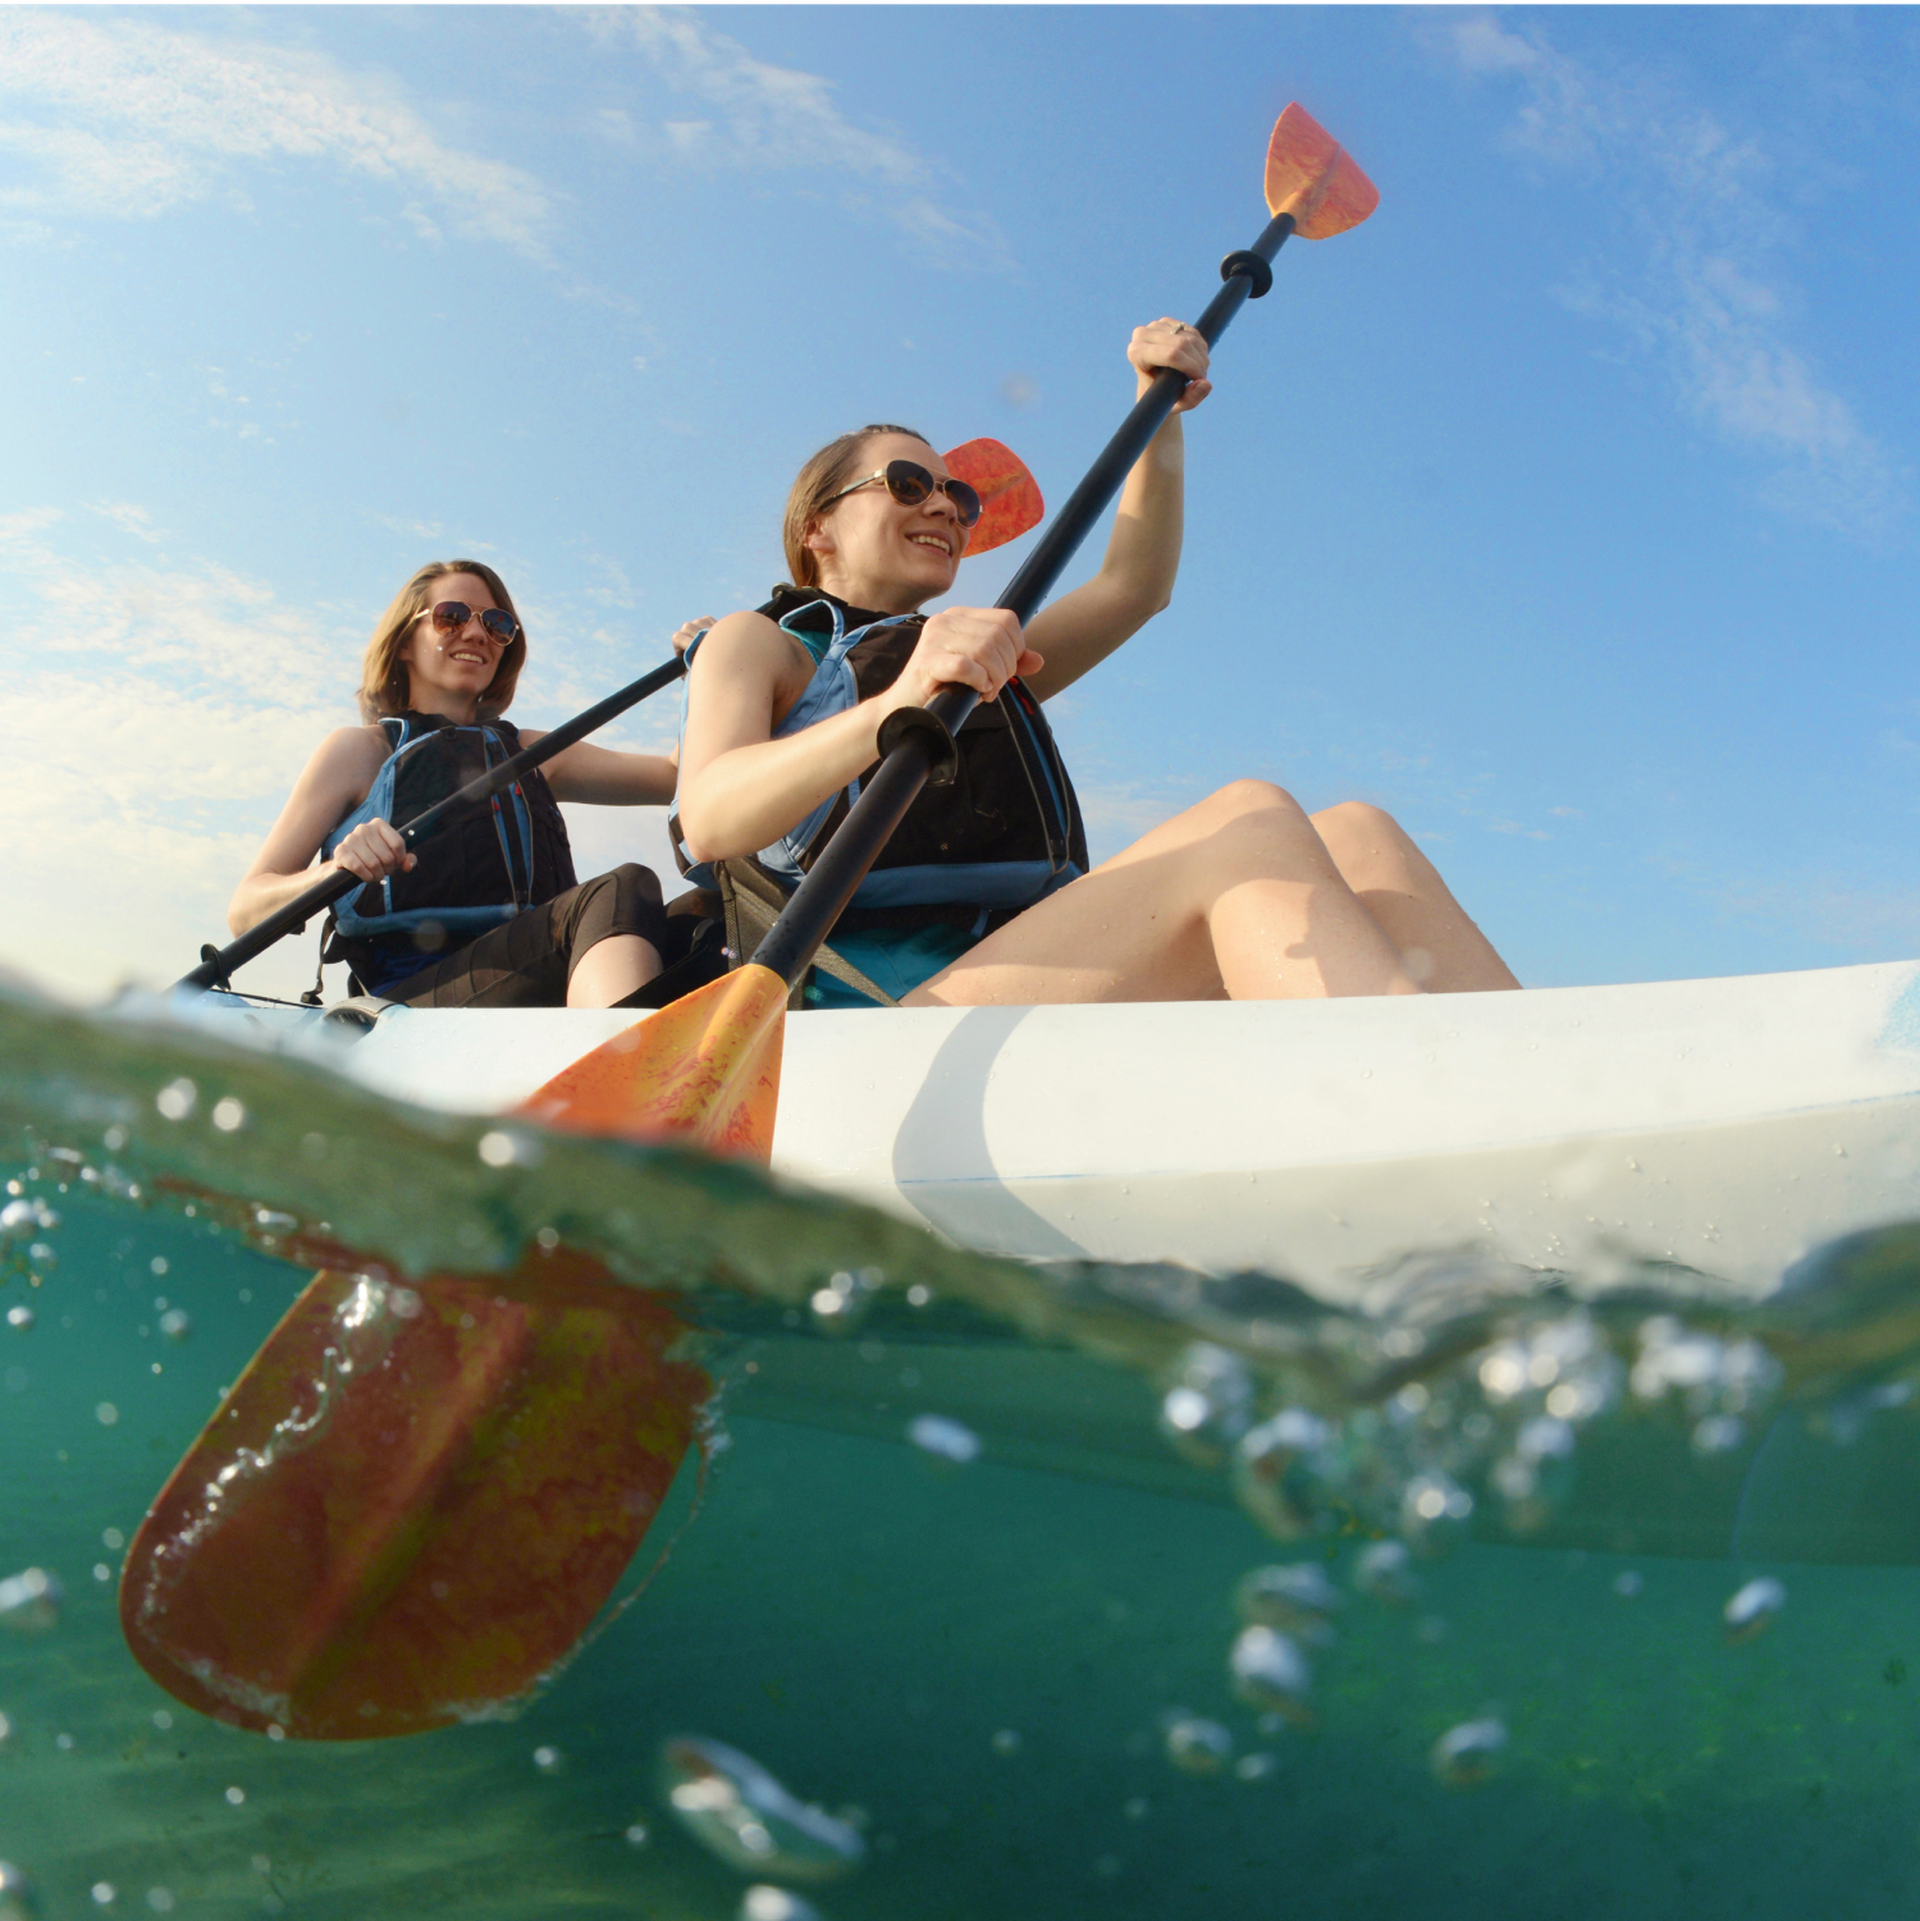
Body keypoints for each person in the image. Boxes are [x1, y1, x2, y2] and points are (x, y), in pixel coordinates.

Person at [674, 321, 1519, 1006]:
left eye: (958, 498)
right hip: (875, 1013)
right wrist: (899, 706)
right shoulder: (764, 641)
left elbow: (1132, 587)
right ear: (817, 526)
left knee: (1358, 832)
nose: (944, 504)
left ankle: (1537, 1101)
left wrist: (1162, 416)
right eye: (906, 483)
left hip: (1025, 966)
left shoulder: (978, 656)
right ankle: (1437, 1130)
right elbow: (710, 815)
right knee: (1249, 821)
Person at [230, 559, 685, 1008]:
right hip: (411, 1004)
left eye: (497, 624)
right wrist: (338, 871)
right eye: (451, 617)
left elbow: (676, 776)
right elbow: (245, 910)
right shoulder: (359, 751)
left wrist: (712, 666)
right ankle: (620, 1069)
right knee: (623, 889)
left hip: (535, 967)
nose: (475, 633)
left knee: (701, 921)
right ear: (405, 641)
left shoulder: (533, 752)